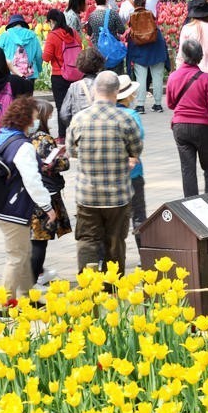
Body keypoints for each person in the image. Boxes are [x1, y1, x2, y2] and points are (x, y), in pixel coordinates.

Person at [67, 71, 144, 272]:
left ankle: (88, 290)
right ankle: (113, 290)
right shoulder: (126, 119)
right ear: (117, 91)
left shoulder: (79, 118)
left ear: (94, 90)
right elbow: (136, 150)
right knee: (115, 242)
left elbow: (72, 151)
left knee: (87, 241)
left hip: (87, 195)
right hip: (117, 195)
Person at [0, 95, 56, 298]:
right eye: (34, 117)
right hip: (14, 208)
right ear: (25, 119)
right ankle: (6, 302)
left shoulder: (5, 136)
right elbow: (32, 181)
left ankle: (28, 295)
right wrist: (48, 207)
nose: (36, 122)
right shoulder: (23, 146)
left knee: (24, 252)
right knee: (16, 256)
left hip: (2, 204)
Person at [166, 40, 208, 197]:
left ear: (183, 56)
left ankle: (191, 207)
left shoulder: (173, 77)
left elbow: (171, 104)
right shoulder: (206, 79)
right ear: (200, 57)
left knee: (188, 169)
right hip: (203, 128)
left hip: (180, 127)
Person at [27, 99, 71, 285]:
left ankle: (38, 273)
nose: (52, 120)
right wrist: (64, 159)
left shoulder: (27, 137)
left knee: (35, 240)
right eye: (50, 116)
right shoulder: (43, 139)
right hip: (45, 194)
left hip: (32, 193)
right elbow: (51, 165)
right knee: (40, 240)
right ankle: (32, 281)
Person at [124, 0, 168, 113]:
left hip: (138, 41)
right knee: (157, 73)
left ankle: (140, 105)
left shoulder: (127, 5)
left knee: (140, 74)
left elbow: (122, 21)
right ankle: (158, 104)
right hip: (155, 39)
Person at [42, 8, 82, 141]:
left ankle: (63, 136)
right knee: (75, 105)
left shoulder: (53, 36)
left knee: (61, 107)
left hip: (59, 75)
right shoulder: (74, 33)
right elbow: (80, 49)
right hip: (75, 74)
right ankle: (77, 133)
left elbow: (47, 57)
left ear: (52, 21)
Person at [116, 77, 147, 247]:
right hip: (133, 173)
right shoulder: (132, 115)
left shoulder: (108, 113)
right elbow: (139, 137)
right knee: (139, 214)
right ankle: (144, 252)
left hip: (112, 174)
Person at [85, 0, 126, 74]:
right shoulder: (113, 13)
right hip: (112, 49)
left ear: (95, 1)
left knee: (102, 78)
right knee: (116, 77)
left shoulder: (92, 16)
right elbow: (122, 30)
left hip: (98, 51)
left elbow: (89, 33)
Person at [0, 14, 43, 81]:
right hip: (30, 74)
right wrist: (39, 69)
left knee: (12, 91)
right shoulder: (32, 36)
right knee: (28, 91)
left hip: (11, 74)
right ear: (23, 24)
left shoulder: (5, 36)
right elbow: (39, 55)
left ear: (11, 25)